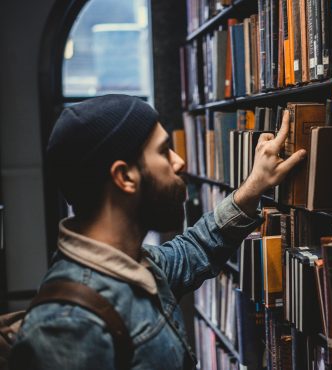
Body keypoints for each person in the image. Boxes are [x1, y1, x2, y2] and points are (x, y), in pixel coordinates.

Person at [9, 95, 305, 369]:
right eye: (164, 151)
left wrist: (254, 185)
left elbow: (196, 248)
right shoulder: (69, 326)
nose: (179, 162)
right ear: (124, 177)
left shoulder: (137, 265)